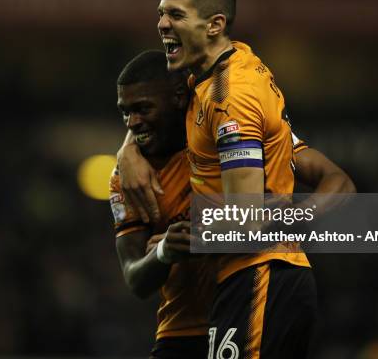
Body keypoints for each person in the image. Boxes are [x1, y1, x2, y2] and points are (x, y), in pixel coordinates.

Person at [112, 50, 355, 358]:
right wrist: (164, 252)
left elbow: (339, 183)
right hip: (181, 329)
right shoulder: (128, 176)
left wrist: (274, 220)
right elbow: (135, 277)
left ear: (179, 96)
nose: (132, 122)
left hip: (247, 301)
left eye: (143, 109)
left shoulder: (233, 130)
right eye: (124, 112)